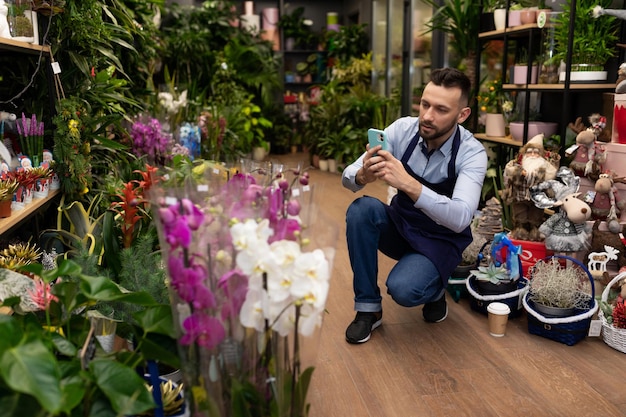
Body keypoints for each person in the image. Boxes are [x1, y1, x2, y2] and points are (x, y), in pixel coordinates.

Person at [341, 68, 488, 344]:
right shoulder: (402, 130)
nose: (428, 116)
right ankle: (368, 309)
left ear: (462, 115)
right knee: (361, 210)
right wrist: (363, 174)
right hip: (401, 225)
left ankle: (434, 290)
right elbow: (349, 176)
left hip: (440, 240)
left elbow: (460, 218)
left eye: (441, 109)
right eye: (425, 104)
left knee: (404, 290)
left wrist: (408, 183)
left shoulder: (472, 154)